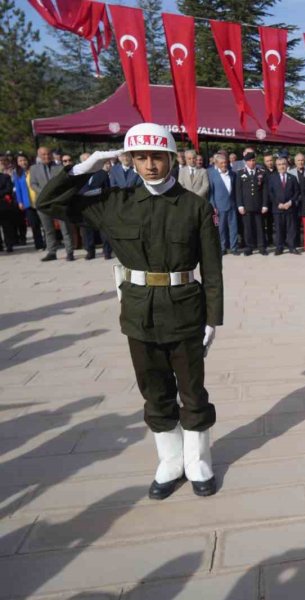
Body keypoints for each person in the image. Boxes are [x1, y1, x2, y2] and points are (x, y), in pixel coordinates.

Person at [36, 123, 223, 499]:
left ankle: (198, 460)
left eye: (157, 156)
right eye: (141, 157)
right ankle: (170, 461)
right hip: (139, 312)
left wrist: (212, 319)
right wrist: (82, 168)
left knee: (192, 391)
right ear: (130, 159)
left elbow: (212, 269)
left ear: (171, 158)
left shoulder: (195, 207)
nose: (150, 165)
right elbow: (48, 203)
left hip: (185, 310)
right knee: (153, 389)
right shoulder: (113, 203)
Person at [30, 146, 71, 261]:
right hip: (43, 203)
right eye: (43, 154)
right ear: (39, 156)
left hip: (58, 202)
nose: (46, 156)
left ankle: (69, 251)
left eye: (48, 154)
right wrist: (44, 193)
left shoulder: (59, 168)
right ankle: (52, 252)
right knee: (48, 229)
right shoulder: (33, 169)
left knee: (65, 227)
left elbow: (64, 182)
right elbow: (33, 184)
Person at [76, 151, 111, 260]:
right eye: (85, 160)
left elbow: (107, 189)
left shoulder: (102, 173)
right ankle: (90, 252)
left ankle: (107, 252)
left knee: (104, 231)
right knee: (87, 231)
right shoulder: (77, 175)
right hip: (85, 206)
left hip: (100, 206)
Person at [236, 152, 269, 256]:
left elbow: (265, 190)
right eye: (249, 161)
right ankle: (249, 247)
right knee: (248, 228)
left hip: (258, 205)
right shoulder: (240, 173)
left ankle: (261, 247)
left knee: (260, 227)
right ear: (246, 162)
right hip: (246, 205)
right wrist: (240, 205)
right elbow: (238, 190)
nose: (252, 162)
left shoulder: (261, 172)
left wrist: (265, 204)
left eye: (253, 160)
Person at [267, 156, 300, 255]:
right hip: (278, 208)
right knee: (279, 228)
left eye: (283, 164)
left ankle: (292, 247)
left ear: (287, 165)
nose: (282, 167)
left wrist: (290, 202)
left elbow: (297, 192)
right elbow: (270, 193)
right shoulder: (272, 178)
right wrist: (278, 203)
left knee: (291, 229)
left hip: (290, 208)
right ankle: (279, 247)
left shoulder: (292, 178)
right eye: (279, 165)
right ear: (276, 166)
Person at [13, 154, 44, 251]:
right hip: (28, 203)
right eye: (20, 161)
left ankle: (50, 242)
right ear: (17, 163)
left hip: (39, 200)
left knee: (44, 223)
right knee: (34, 225)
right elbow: (18, 189)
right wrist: (20, 202)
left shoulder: (34, 169)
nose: (23, 162)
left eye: (24, 160)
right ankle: (39, 244)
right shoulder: (17, 173)